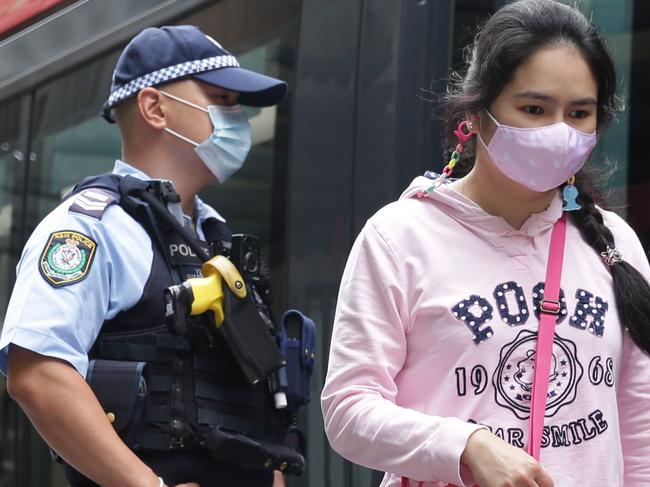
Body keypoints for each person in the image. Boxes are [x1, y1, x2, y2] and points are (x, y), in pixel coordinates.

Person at [321, 1, 650, 486]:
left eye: (579, 113)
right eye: (533, 108)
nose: (559, 131)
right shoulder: (399, 238)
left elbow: (638, 418)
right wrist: (464, 445)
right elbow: (348, 411)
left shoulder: (614, 242)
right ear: (476, 113)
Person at [0, 25, 293, 487]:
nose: (237, 118)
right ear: (155, 108)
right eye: (223, 99)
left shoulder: (219, 240)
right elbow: (36, 371)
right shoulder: (90, 227)